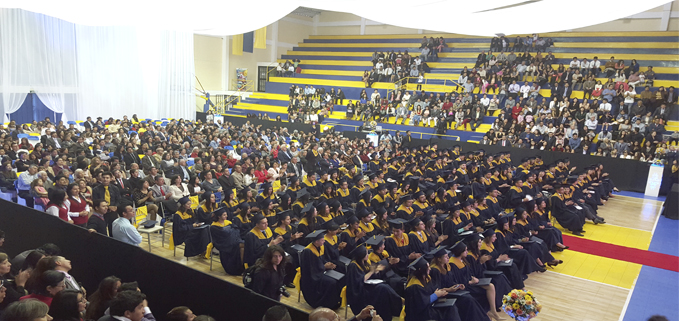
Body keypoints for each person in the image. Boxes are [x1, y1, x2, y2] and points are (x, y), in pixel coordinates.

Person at [345, 244, 402, 319]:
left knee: (384, 287)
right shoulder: (353, 265)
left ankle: (388, 313)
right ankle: (400, 302)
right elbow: (359, 280)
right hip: (359, 292)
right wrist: (371, 272)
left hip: (367, 287)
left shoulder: (364, 262)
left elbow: (370, 275)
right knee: (383, 288)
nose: (368, 255)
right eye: (366, 254)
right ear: (361, 255)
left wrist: (376, 270)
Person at [404, 256, 460, 321]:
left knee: (452, 307)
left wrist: (443, 291)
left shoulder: (426, 278)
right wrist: (436, 295)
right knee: (449, 311)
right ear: (421, 269)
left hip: (430, 306)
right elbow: (421, 303)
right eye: (428, 267)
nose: (430, 269)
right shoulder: (414, 285)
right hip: (421, 313)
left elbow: (432, 290)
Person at [300, 230, 343, 309]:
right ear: (316, 241)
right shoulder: (308, 251)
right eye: (322, 240)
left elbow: (322, 260)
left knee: (339, 277)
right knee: (332, 282)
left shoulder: (319, 247)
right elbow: (310, 269)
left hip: (320, 272)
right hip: (312, 278)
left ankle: (336, 301)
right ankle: (327, 304)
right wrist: (324, 267)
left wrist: (329, 264)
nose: (324, 241)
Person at [208, 208, 243, 275]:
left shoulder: (227, 222)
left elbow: (236, 229)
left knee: (243, 247)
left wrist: (229, 232)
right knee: (241, 245)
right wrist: (230, 231)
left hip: (232, 241)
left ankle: (242, 267)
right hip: (223, 244)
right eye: (224, 215)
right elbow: (222, 236)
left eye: (226, 214)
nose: (226, 216)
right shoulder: (214, 226)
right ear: (219, 216)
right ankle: (237, 268)